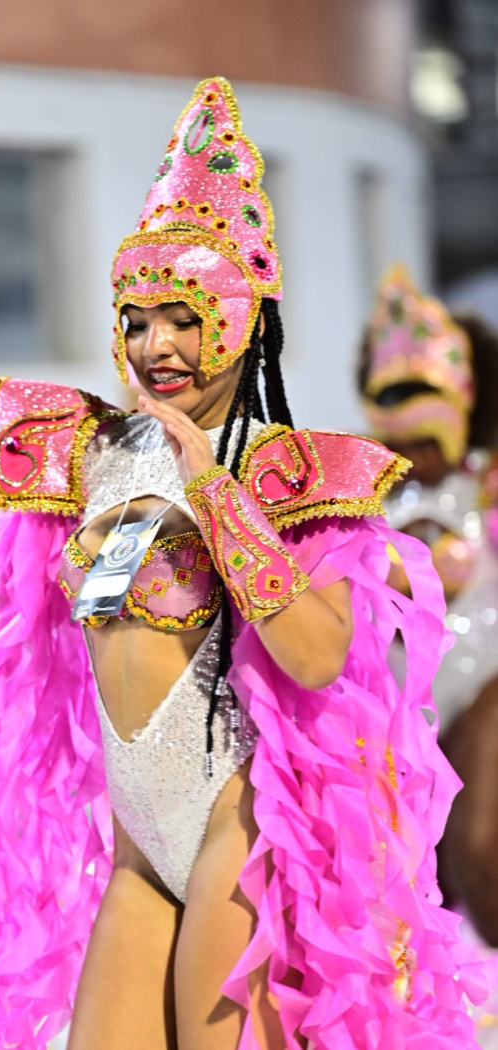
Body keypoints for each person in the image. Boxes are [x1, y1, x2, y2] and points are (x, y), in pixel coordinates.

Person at [0, 78, 485, 1050]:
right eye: (134, 318)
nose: (154, 345)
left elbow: (316, 656)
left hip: (232, 832)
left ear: (241, 321)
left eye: (181, 317)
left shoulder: (284, 475)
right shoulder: (82, 458)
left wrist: (211, 490)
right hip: (135, 846)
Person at [359, 263, 498, 1047]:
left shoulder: (490, 488)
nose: (413, 449)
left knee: (482, 843)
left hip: (491, 681)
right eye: (396, 431)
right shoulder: (367, 501)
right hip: (399, 697)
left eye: (425, 430)